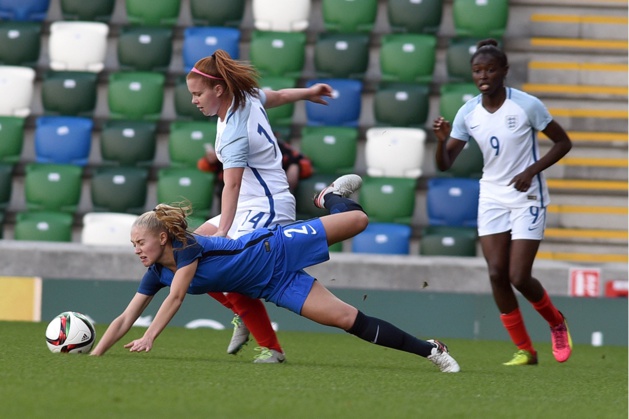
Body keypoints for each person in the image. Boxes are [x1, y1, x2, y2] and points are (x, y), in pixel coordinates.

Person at [90, 175, 461, 373]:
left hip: (276, 245)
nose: (136, 249)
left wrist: (150, 337)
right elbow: (126, 317)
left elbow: (176, 298)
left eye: (140, 242)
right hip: (274, 284)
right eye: (133, 244)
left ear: (162, 237)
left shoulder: (185, 246)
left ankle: (330, 196)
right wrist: (95, 356)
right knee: (347, 319)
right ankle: (433, 351)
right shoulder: (156, 272)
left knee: (359, 220)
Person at [432, 39, 573, 366]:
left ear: (504, 72)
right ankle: (526, 349)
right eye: (477, 70)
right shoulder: (468, 112)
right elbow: (444, 163)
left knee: (519, 276)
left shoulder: (526, 105)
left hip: (527, 195)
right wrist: (441, 142)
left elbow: (563, 142)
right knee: (496, 273)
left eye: (490, 69)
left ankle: (556, 322)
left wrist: (531, 171)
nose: (483, 76)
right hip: (492, 195)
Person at [186, 50, 334, 363]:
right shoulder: (246, 96)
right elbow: (278, 95)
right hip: (248, 203)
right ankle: (242, 312)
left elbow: (233, 184)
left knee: (230, 268)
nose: (194, 100)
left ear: (218, 90)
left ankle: (272, 349)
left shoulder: (235, 132)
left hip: (268, 204)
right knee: (187, 252)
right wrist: (309, 92)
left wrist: (223, 232)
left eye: (198, 94)